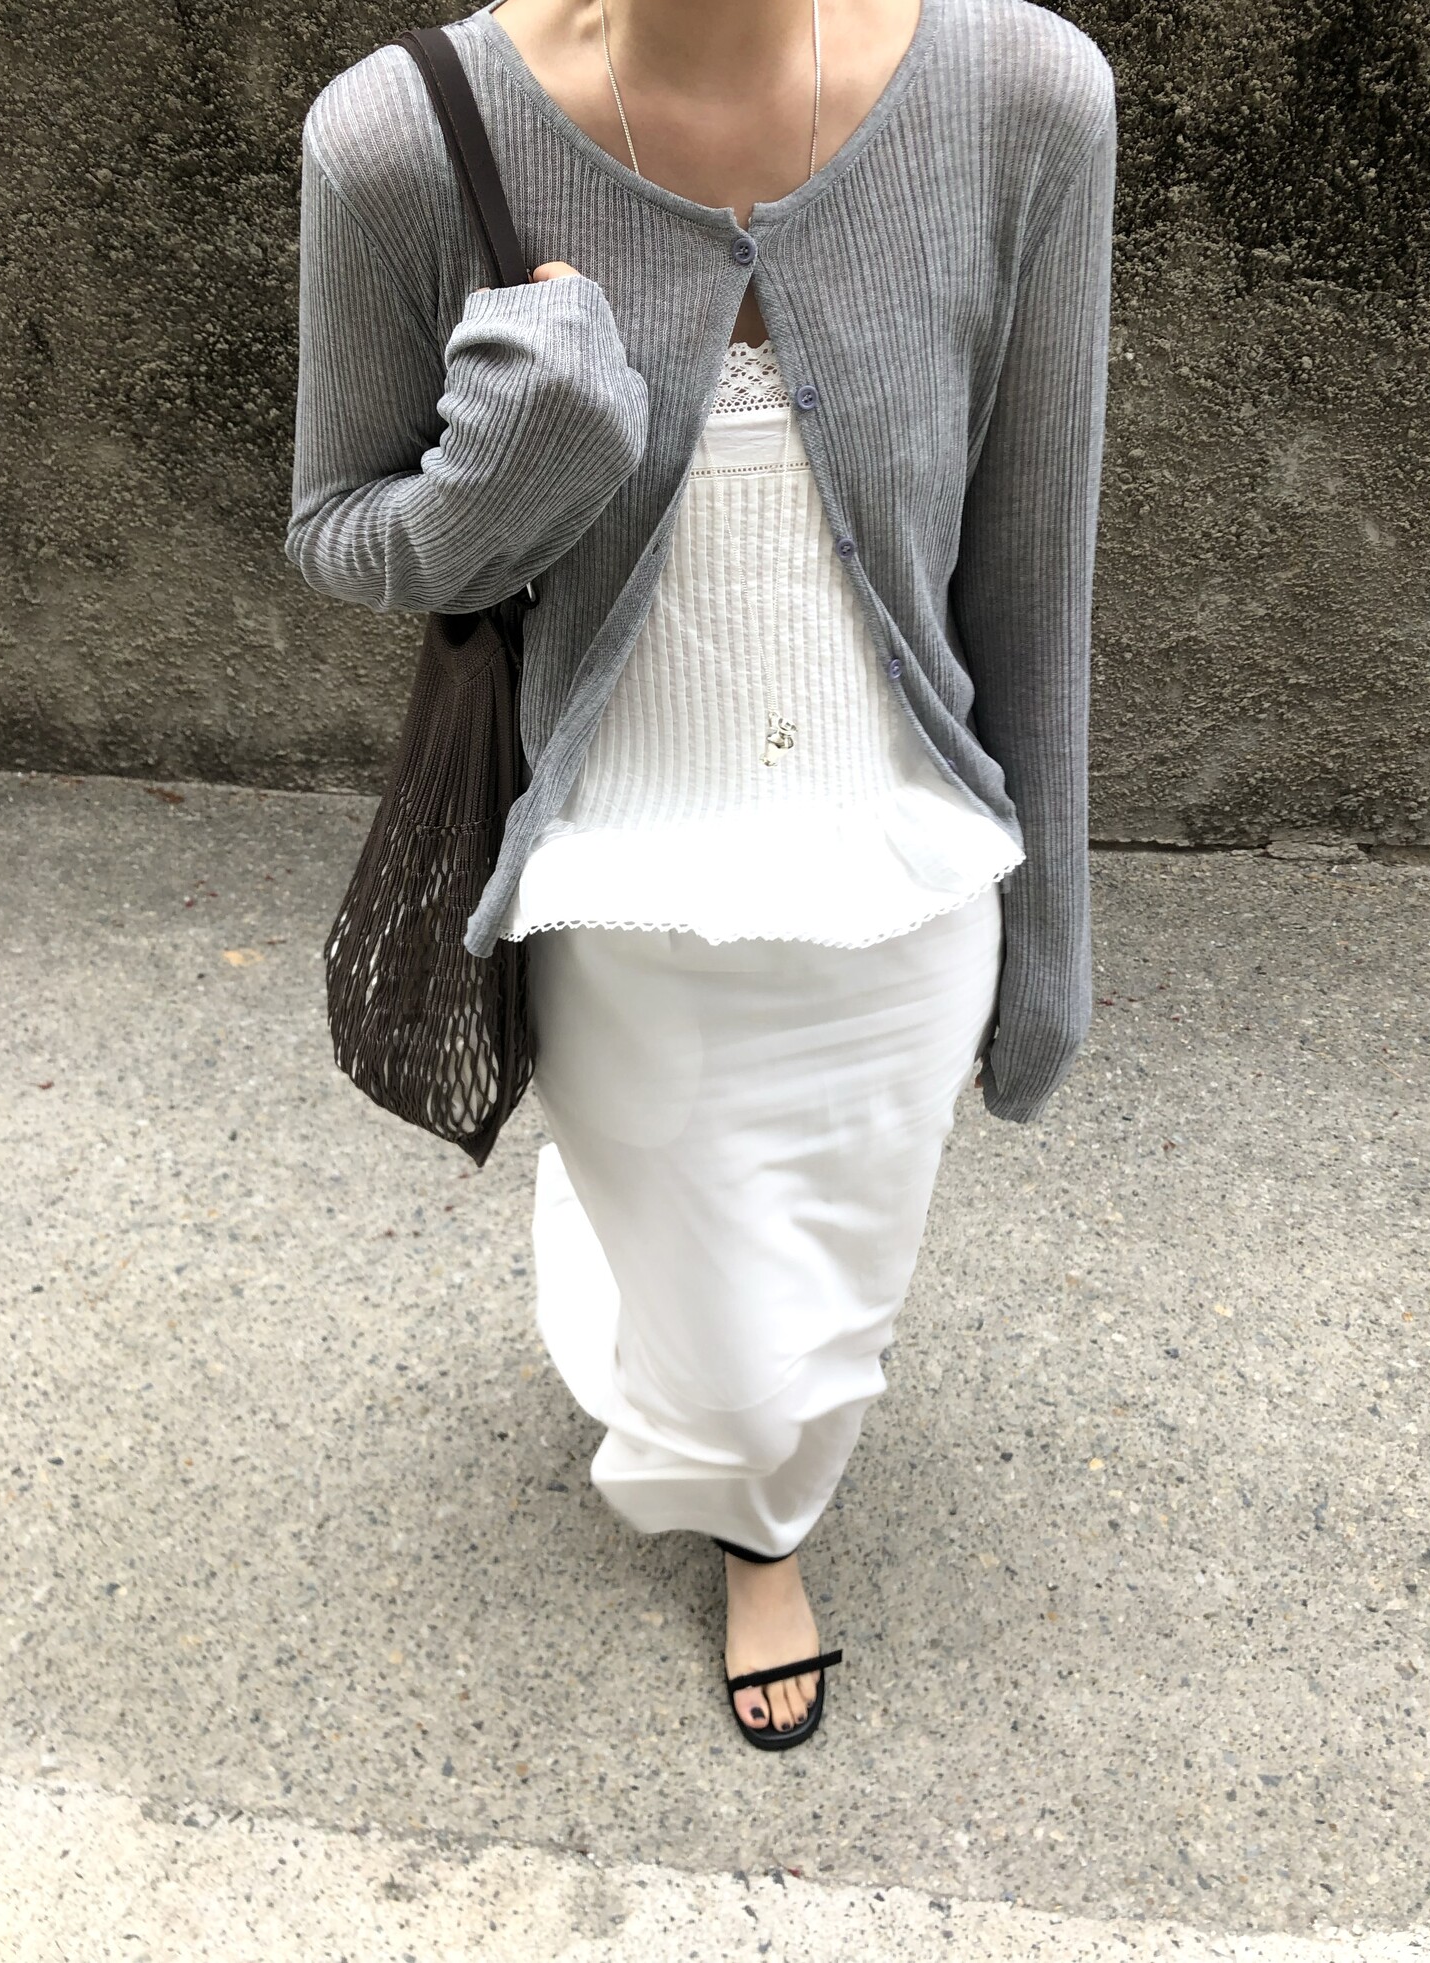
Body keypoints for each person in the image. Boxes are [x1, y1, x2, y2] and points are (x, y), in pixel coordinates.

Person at [287, 0, 1117, 1749]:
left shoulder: (1026, 97)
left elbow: (1040, 561)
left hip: (906, 889)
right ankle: (759, 1527)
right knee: (739, 1368)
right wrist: (517, 467)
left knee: (839, 1293)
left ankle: (742, 1464)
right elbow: (336, 528)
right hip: (620, 911)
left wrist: (1050, 934)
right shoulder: (397, 138)